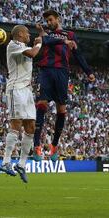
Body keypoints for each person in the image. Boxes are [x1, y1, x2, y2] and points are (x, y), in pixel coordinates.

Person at [33, 9, 95, 161]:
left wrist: (88, 71)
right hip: (47, 70)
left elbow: (77, 54)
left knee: (62, 109)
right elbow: (46, 41)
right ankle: (36, 146)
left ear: (58, 19)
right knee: (41, 104)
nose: (48, 23)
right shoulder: (45, 33)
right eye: (47, 21)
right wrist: (62, 41)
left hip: (62, 72)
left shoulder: (70, 34)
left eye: (50, 20)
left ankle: (54, 146)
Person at [0, 25, 42, 183]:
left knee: (31, 126)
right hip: (15, 89)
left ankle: (22, 164)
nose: (29, 35)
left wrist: (41, 36)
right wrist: (39, 43)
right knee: (16, 123)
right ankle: (5, 162)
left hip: (27, 90)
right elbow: (32, 53)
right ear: (20, 34)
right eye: (27, 33)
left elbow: (32, 49)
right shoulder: (13, 45)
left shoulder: (23, 45)